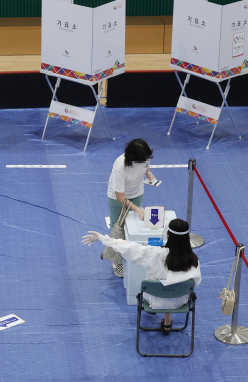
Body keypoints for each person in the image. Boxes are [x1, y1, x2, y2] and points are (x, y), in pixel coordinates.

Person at [82, 218, 201, 335]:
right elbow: (195, 282)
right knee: (171, 288)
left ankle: (167, 319)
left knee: (163, 288)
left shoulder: (155, 255)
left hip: (154, 299)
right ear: (187, 238)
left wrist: (103, 238)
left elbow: (129, 247)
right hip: (180, 300)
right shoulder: (194, 261)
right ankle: (168, 321)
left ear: (168, 235)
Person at [105, 139, 158, 277]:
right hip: (118, 198)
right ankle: (116, 262)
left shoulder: (145, 152)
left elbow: (146, 163)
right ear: (133, 159)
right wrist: (137, 209)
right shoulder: (120, 167)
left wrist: (148, 173)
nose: (146, 160)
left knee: (134, 226)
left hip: (137, 192)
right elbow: (120, 196)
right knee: (118, 229)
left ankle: (132, 255)